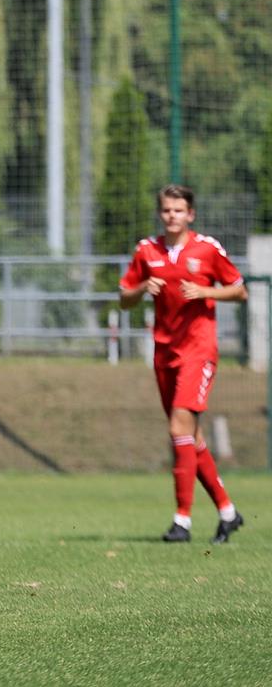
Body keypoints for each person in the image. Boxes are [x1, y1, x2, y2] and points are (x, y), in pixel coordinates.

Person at [119, 184, 247, 544]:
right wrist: (142, 287)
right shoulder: (147, 250)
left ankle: (182, 521)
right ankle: (228, 512)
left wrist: (206, 291)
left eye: (178, 210)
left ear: (191, 214)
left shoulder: (207, 248)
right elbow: (124, 299)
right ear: (160, 213)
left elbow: (239, 290)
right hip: (164, 352)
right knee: (191, 436)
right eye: (166, 210)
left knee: (179, 426)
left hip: (199, 350)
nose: (171, 216)